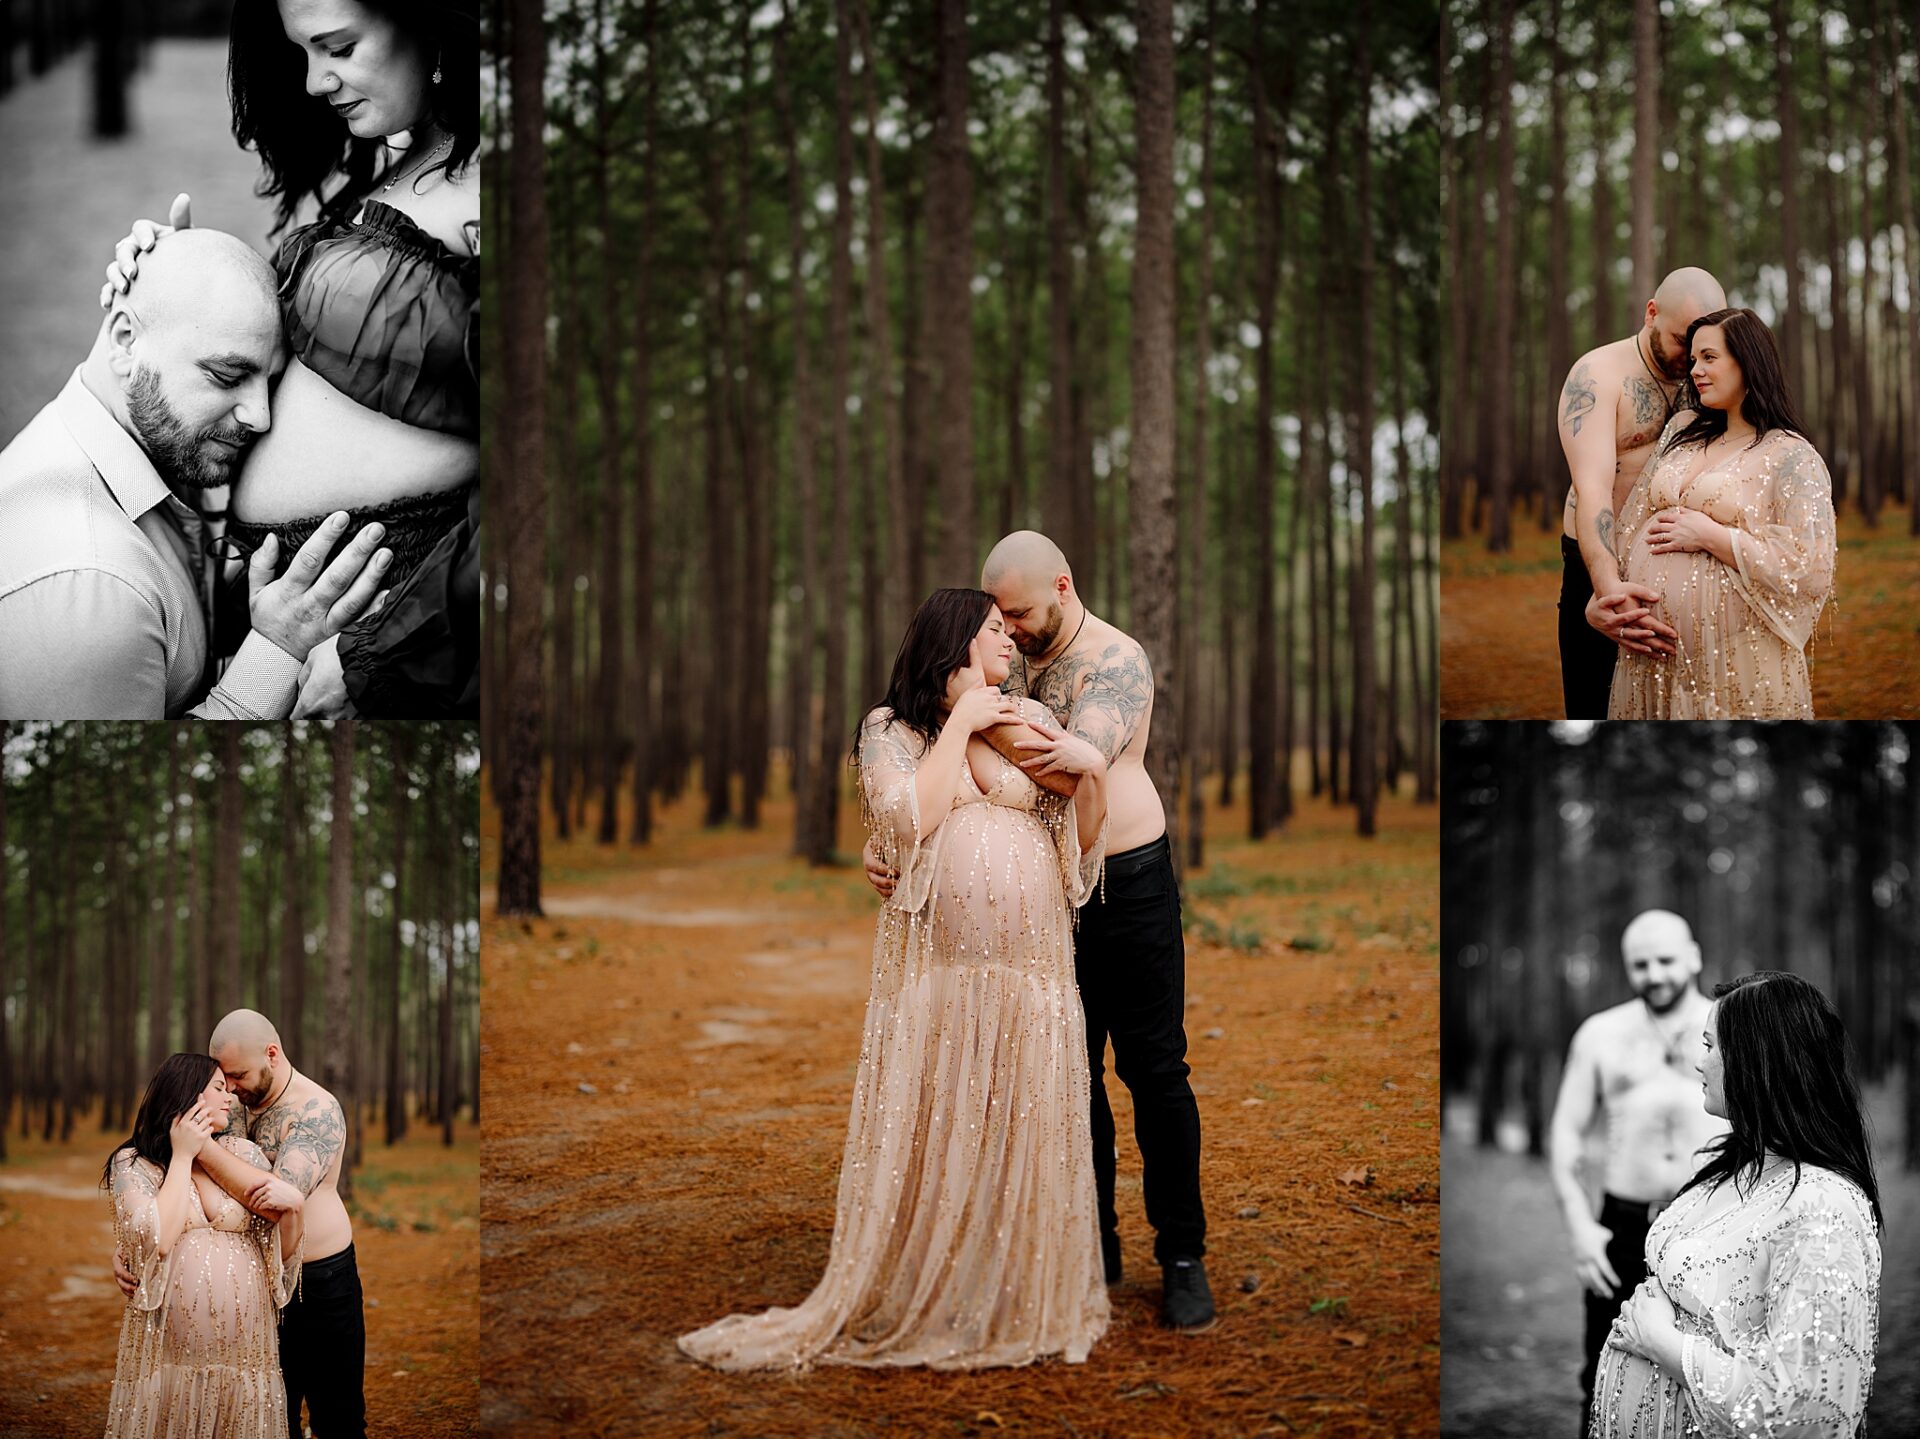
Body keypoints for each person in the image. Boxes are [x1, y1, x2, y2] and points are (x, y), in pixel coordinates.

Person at [680, 588, 1112, 1369]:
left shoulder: (1031, 722)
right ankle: (927, 1277)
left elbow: (1079, 844)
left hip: (1027, 980)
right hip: (941, 979)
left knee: (1012, 1128)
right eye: (991, 631)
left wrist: (1094, 779)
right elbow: (903, 823)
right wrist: (965, 723)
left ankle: (1008, 1289)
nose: (1008, 642)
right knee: (942, 1128)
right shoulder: (892, 729)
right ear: (952, 644)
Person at [863, 531, 1216, 1331]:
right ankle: (1090, 1242)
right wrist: (884, 838)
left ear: (1061, 584)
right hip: (1043, 899)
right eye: (999, 618)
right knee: (1064, 1069)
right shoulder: (1006, 656)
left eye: (1018, 612)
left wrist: (975, 717)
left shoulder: (1114, 660)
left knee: (1156, 1068)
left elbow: (1070, 763)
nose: (1009, 628)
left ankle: (1182, 1254)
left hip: (1125, 880)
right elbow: (933, 739)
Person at [102, 0, 480, 718]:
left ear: (428, 25)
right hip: (282, 602)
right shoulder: (398, 154)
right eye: (302, 52)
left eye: (337, 47)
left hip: (380, 619)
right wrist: (173, 280)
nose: (315, 81)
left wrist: (385, 653)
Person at [0, 228, 393, 719]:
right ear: (125, 340)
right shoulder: (90, 589)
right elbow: (138, 791)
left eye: (269, 382)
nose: (260, 416)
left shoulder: (148, 441)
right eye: (227, 376)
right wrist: (278, 650)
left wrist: (181, 262)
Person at [1592, 971, 1881, 1438]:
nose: (1697, 1062)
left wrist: (1666, 1345)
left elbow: (1813, 1414)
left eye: (1709, 1046)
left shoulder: (1823, 1208)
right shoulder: (1737, 1164)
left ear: (1756, 1060)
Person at [113, 1010, 362, 1438]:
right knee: (268, 1416)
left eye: (239, 1076)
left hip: (320, 1281)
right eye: (222, 1080)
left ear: (272, 1054)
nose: (230, 1089)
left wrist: (194, 1145)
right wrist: (130, 1248)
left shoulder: (315, 1110)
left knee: (336, 1419)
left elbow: (275, 1202)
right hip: (260, 1290)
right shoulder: (239, 1100)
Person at [1607, 309, 1835, 719]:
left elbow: (1811, 567)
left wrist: (1712, 537)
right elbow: (1631, 524)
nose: (1696, 370)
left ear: (1748, 361)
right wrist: (1613, 595)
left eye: (1709, 358)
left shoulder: (1790, 454)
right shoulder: (1682, 429)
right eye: (1693, 359)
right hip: (1648, 662)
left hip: (1738, 665)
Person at [1548, 909, 1726, 1424]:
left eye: (1666, 960)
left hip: (1712, 1223)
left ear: (1693, 956)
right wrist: (1581, 1227)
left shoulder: (1730, 1027)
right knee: (1603, 1376)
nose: (1655, 975)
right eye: (1640, 964)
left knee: (1705, 1374)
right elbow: (1566, 1132)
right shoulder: (1600, 1034)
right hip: (1624, 1226)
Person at [1555, 268, 1726, 718]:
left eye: (1699, 347)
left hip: (1680, 568)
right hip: (1598, 569)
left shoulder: (1710, 379)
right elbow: (1592, 492)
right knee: (1594, 706)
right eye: (1679, 341)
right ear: (1651, 313)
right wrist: (1610, 594)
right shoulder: (1597, 376)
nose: (1689, 360)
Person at [102, 1052, 302, 1438]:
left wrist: (297, 1214)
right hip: (169, 1360)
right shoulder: (134, 1164)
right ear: (187, 1095)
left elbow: (280, 1241)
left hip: (245, 1360)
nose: (229, 1096)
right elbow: (156, 1240)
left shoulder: (242, 1153)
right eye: (217, 1088)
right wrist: (182, 1155)